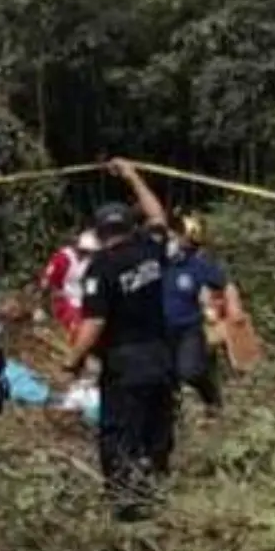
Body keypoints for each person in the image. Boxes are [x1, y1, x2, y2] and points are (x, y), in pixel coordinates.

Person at [64, 160, 176, 520]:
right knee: (156, 427)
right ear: (130, 226)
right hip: (161, 357)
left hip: (124, 363)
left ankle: (127, 507)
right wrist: (131, 176)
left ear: (97, 234)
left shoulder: (102, 268)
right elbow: (157, 215)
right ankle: (157, 491)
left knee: (120, 434)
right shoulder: (149, 248)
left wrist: (73, 359)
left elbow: (94, 322)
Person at [163, 214, 239, 414]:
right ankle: (173, 415)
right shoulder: (157, 262)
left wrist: (234, 308)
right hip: (160, 330)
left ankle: (211, 396)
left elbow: (225, 284)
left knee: (190, 371)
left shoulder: (197, 266)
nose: (172, 239)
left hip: (189, 328)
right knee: (165, 377)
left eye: (179, 236)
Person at [43, 229, 100, 335]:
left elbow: (92, 280)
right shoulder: (62, 259)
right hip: (64, 298)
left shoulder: (89, 261)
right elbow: (48, 282)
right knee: (75, 325)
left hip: (81, 296)